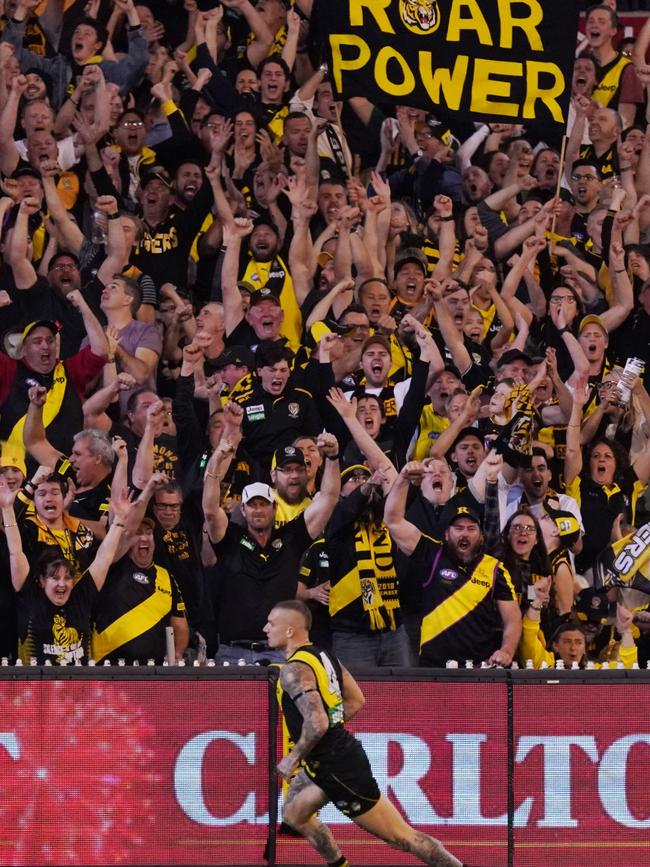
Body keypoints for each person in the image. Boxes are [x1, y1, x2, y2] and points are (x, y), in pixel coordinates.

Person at [265, 599, 470, 867]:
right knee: (294, 815)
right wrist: (325, 734)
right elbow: (356, 700)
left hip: (339, 767)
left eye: (271, 623)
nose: (265, 628)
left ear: (290, 631)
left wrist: (293, 757)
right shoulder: (324, 656)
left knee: (402, 838)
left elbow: (317, 723)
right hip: (324, 761)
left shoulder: (293, 670)